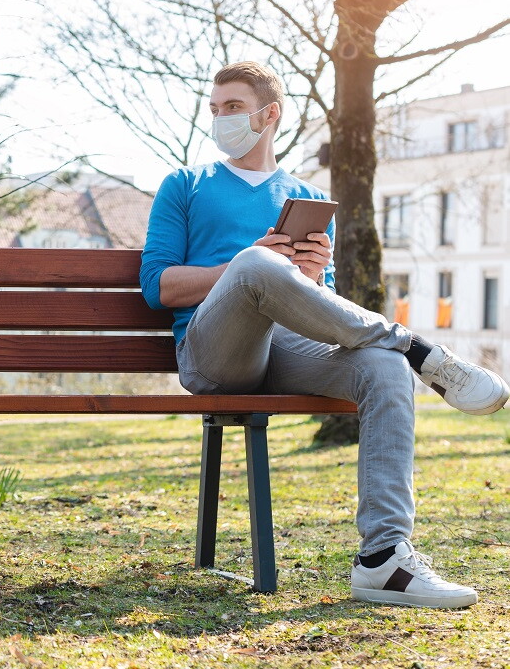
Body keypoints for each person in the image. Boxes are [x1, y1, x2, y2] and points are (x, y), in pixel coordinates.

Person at [141, 61, 508, 609]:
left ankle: (384, 559)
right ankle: (417, 348)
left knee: (382, 367)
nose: (220, 120)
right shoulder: (185, 185)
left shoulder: (308, 198)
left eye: (233, 108)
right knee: (254, 265)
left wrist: (310, 276)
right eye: (215, 110)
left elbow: (327, 313)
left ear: (270, 115)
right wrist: (249, 266)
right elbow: (159, 287)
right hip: (214, 353)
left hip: (289, 349)